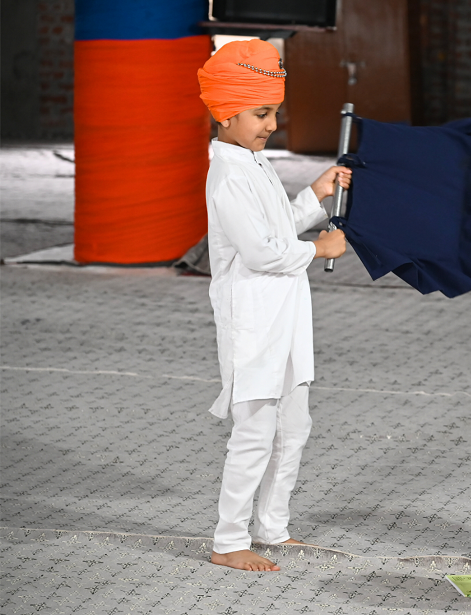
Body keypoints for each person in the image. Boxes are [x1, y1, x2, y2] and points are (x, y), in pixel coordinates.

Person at [197, 39, 353, 571]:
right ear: (225, 111)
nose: (270, 125)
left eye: (274, 114)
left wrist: (315, 194)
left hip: (285, 317)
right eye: (260, 113)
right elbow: (263, 252)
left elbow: (279, 225)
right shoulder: (227, 174)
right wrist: (321, 247)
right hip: (252, 324)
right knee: (255, 431)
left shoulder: (252, 161)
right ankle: (228, 540)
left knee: (294, 425)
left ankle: (273, 526)